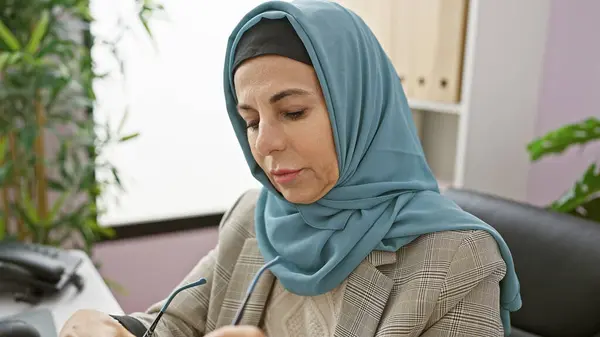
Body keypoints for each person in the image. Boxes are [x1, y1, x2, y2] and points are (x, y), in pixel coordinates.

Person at [59, 0, 522, 336]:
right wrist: (115, 329)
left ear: (357, 108)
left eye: (294, 112)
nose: (265, 143)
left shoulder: (458, 261)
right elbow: (175, 322)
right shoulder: (256, 216)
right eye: (251, 121)